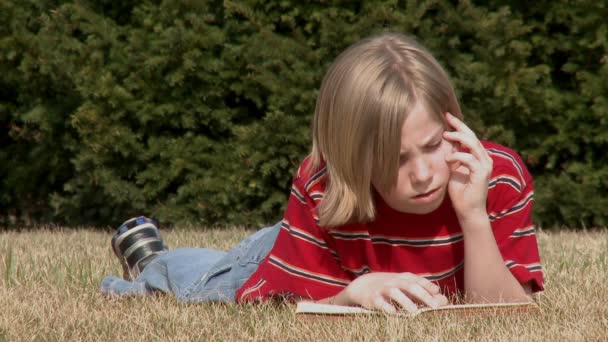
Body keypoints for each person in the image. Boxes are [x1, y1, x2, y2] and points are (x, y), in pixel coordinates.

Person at [102, 32, 544, 313]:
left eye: (432, 145)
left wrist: (472, 216)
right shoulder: (324, 187)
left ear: (453, 123)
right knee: (210, 284)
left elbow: (504, 313)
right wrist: (351, 294)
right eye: (395, 160)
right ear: (351, 158)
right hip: (287, 251)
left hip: (332, 253)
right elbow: (284, 306)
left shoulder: (494, 175)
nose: (425, 173)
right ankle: (153, 260)